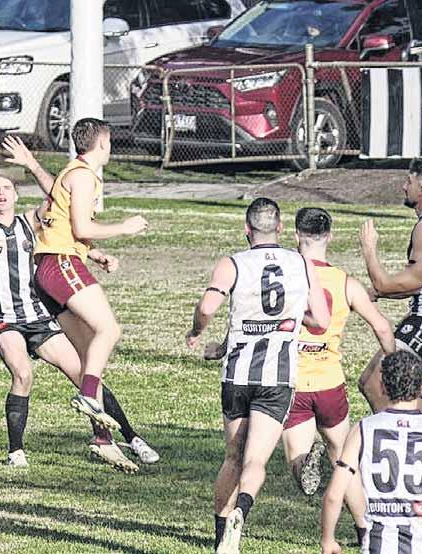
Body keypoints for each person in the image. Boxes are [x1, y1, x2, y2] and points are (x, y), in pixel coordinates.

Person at [0, 131, 158, 471]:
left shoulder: (31, 223)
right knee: (23, 372)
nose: (0, 193)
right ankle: (16, 451)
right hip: (5, 320)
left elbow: (61, 199)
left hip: (40, 317)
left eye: (6, 188)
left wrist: (95, 255)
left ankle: (126, 437)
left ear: (15, 194)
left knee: (84, 373)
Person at [186, 198, 331, 554]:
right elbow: (321, 321)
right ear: (280, 228)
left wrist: (197, 332)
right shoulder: (301, 263)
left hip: (238, 374)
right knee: (255, 461)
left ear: (246, 229)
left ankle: (221, 537)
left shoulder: (232, 263)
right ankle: (241, 512)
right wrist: (291, 317)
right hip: (277, 378)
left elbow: (207, 307)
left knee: (232, 457)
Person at [281, 207, 396, 545]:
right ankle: (365, 529)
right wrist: (392, 363)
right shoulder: (347, 283)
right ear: (329, 237)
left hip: (294, 383)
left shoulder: (285, 276)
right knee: (344, 461)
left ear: (296, 235)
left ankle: (306, 463)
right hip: (330, 384)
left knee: (298, 460)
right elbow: (382, 327)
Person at [31, 118, 149, 432]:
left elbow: (66, 225)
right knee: (109, 330)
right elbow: (82, 227)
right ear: (102, 143)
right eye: (109, 142)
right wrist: (124, 228)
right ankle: (87, 397)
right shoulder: (83, 176)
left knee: (89, 357)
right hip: (61, 263)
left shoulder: (72, 173)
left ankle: (102, 439)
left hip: (48, 269)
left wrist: (95, 254)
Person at [357, 161, 422, 451]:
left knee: (373, 383)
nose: (403, 186)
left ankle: (397, 446)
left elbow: (415, 284)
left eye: (409, 181)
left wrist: (371, 257)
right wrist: (379, 293)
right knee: (373, 380)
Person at [320, 350, 422, 554]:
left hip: (377, 544)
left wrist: (328, 540)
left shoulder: (363, 430)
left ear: (383, 386)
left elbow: (334, 495)